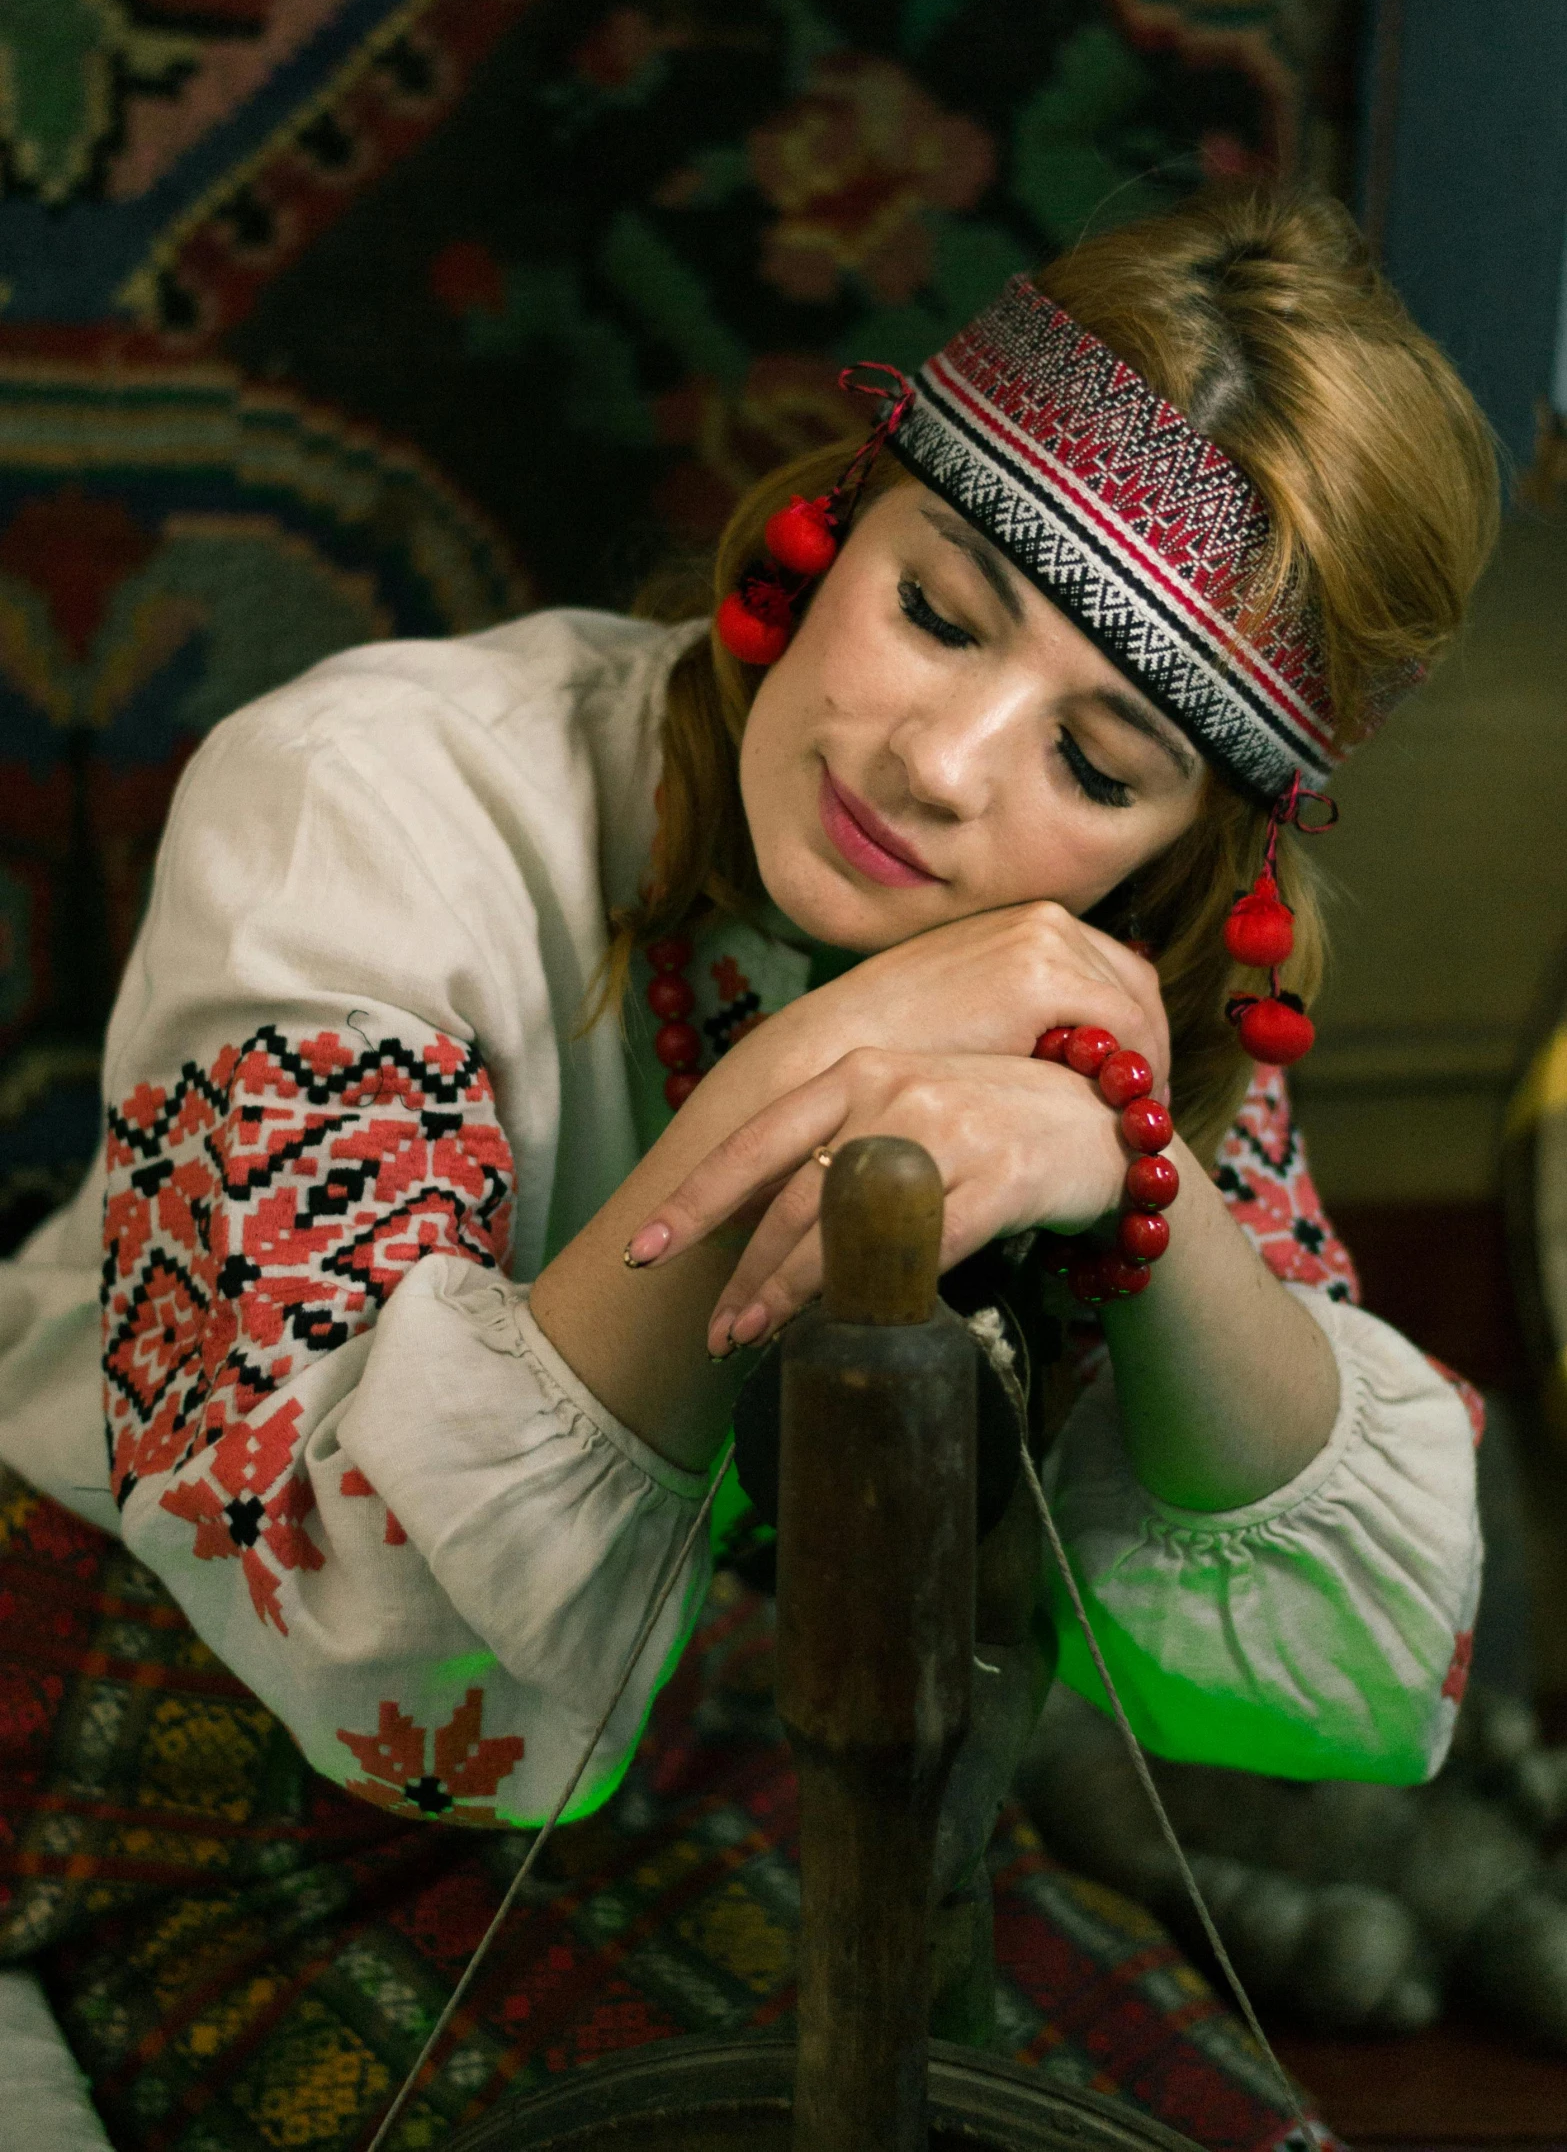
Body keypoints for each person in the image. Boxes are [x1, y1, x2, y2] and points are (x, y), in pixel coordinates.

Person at [0, 186, 1497, 1874]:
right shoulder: (359, 803)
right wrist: (810, 1080)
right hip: (107, 1663)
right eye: (935, 613)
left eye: (1093, 765)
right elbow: (370, 1640)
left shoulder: (1096, 974)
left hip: (653, 1747)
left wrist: (1135, 1171)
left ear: (1181, 853)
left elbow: (1339, 1689)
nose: (935, 764)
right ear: (839, 519)